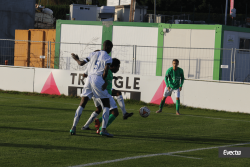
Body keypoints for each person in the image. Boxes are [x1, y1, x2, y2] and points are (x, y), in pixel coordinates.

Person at [69, 40, 113, 137]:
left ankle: (73, 127)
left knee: (82, 103)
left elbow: (80, 63)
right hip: (98, 78)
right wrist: (105, 81)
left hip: (89, 79)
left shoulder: (93, 53)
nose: (111, 50)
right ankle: (104, 129)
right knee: (106, 104)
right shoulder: (108, 58)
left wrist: (76, 58)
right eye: (111, 47)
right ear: (109, 46)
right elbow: (105, 71)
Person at [81, 58, 133, 134]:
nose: (118, 69)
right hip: (102, 93)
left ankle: (86, 126)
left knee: (99, 109)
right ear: (113, 66)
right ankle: (102, 128)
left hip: (96, 92)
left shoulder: (105, 70)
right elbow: (100, 77)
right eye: (118, 67)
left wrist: (113, 77)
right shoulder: (105, 70)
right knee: (114, 111)